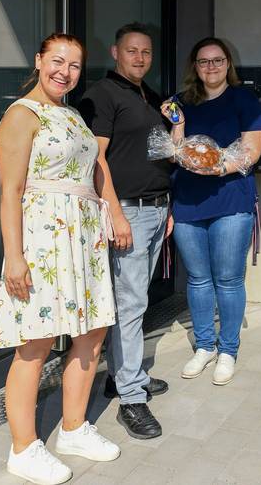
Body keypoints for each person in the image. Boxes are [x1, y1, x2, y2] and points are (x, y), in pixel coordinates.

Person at [0, 33, 120, 485]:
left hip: (82, 238)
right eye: (57, 61)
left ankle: (72, 428)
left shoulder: (69, 113)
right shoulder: (20, 115)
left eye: (74, 65)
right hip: (43, 239)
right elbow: (9, 191)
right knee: (36, 342)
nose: (64, 71)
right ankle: (24, 448)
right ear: (38, 60)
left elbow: (95, 170)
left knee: (92, 329)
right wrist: (14, 257)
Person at [78, 22, 172, 440]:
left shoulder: (148, 96)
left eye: (146, 52)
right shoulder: (101, 94)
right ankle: (132, 399)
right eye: (132, 51)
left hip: (155, 209)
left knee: (134, 300)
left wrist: (165, 203)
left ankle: (122, 376)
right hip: (128, 214)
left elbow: (160, 152)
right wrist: (115, 214)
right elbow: (96, 160)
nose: (140, 58)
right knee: (131, 304)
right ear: (116, 52)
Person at [160, 37, 261, 386]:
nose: (211, 67)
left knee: (229, 279)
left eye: (217, 60)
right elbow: (173, 150)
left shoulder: (244, 100)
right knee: (199, 279)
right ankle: (204, 346)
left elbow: (251, 150)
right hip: (189, 201)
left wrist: (216, 168)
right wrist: (176, 125)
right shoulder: (181, 103)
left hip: (230, 200)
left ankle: (228, 350)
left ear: (228, 64)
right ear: (195, 66)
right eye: (204, 62)